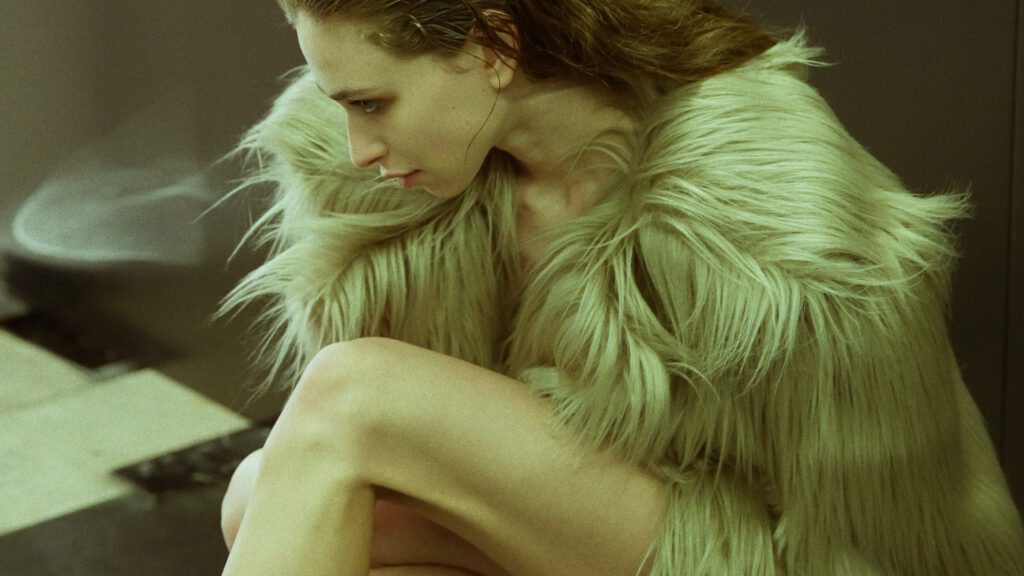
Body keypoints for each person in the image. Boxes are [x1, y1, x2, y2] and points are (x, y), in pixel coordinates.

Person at [218, 1, 1024, 574]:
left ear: (493, 45)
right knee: (262, 496)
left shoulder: (774, 227)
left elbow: (887, 543)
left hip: (753, 551)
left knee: (352, 397)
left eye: (372, 103)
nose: (357, 149)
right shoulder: (412, 206)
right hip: (587, 536)